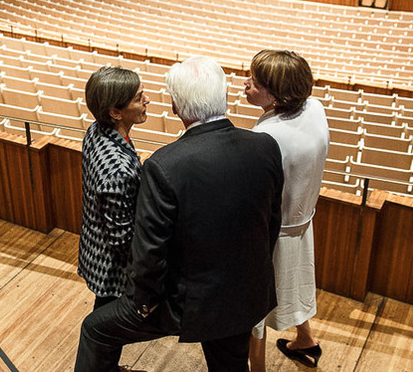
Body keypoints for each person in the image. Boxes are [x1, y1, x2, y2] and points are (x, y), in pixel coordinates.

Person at [74, 56, 284, 372]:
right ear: (224, 97)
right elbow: (271, 222)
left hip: (189, 301)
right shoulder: (265, 146)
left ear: (177, 108)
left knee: (95, 328)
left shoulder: (164, 164)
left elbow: (150, 251)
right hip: (245, 291)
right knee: (231, 364)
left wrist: (144, 303)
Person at [243, 51, 329, 372]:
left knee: (257, 310)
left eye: (255, 81)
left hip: (273, 232)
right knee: (297, 282)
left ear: (276, 95)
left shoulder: (266, 138)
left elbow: (254, 197)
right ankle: (305, 339)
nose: (246, 83)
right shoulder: (314, 107)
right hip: (302, 221)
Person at [78, 67, 150, 310]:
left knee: (104, 329)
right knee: (106, 329)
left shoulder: (95, 130)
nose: (146, 100)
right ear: (116, 112)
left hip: (95, 248)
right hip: (112, 269)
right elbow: (122, 239)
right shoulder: (118, 171)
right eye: (139, 98)